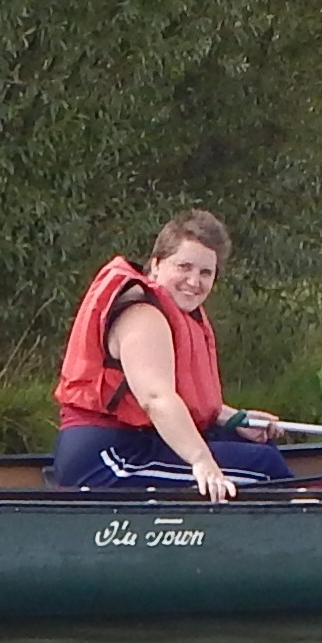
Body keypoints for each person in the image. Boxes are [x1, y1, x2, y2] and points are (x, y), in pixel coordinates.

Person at [51, 208, 292, 502]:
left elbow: (185, 400)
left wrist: (232, 419)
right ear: (156, 264)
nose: (194, 281)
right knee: (265, 468)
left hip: (138, 441)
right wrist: (202, 461)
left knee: (258, 449)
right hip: (106, 458)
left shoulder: (174, 312)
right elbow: (155, 399)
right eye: (184, 267)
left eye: (205, 273)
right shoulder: (143, 316)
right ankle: (303, 530)